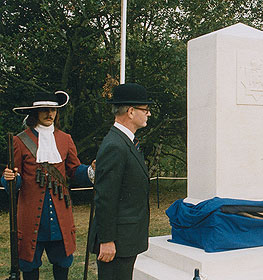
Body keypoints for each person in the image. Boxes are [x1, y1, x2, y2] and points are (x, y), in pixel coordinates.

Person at [1, 91, 95, 280]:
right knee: (29, 267)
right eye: (44, 110)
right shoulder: (19, 140)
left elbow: (74, 170)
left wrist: (91, 171)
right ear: (35, 113)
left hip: (61, 217)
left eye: (52, 110)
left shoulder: (65, 139)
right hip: (30, 218)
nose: (49, 114)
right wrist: (9, 177)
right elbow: (14, 179)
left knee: (62, 266)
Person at [89, 83, 152, 280]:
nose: (148, 114)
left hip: (125, 238)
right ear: (131, 112)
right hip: (117, 241)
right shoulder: (115, 145)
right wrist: (107, 240)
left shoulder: (126, 142)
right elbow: (105, 197)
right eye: (146, 109)